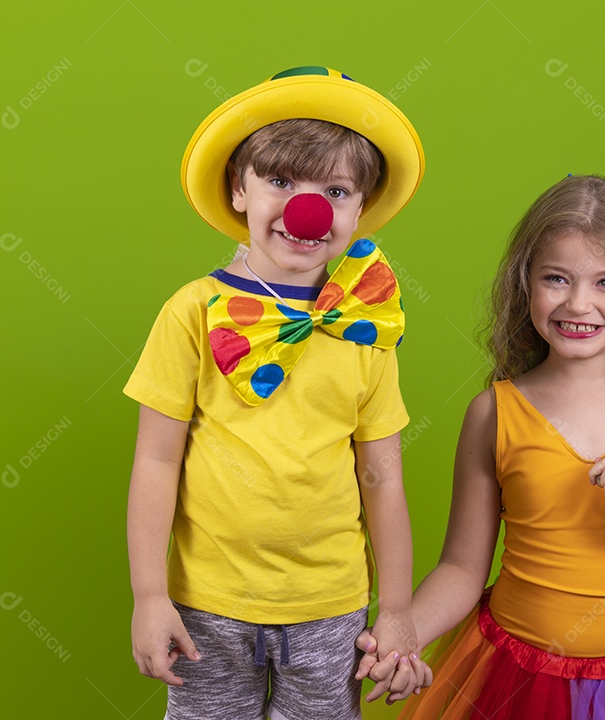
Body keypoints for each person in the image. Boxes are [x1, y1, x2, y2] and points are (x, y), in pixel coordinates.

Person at [356, 175, 605, 718]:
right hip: (511, 672)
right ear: (525, 284)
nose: (579, 303)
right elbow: (464, 570)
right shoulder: (495, 412)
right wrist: (404, 634)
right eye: (556, 278)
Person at [124, 66, 429, 720]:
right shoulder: (192, 312)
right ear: (239, 189)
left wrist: (397, 610)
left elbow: (382, 476)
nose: (305, 208)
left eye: (335, 190)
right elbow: (155, 459)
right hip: (207, 604)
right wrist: (150, 596)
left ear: (358, 210)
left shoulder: (365, 327)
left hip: (330, 608)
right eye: (281, 181)